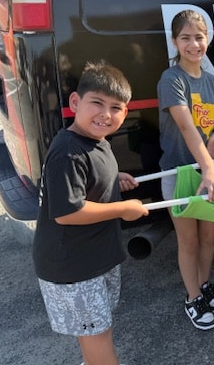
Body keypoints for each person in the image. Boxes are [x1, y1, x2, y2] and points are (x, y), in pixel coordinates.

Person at [32, 61, 149, 365]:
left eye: (116, 107)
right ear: (75, 102)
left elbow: (88, 181)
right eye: (97, 102)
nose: (106, 114)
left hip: (93, 258)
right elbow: (68, 212)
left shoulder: (96, 141)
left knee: (97, 333)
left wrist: (114, 177)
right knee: (99, 343)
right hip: (74, 267)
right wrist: (124, 209)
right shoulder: (67, 152)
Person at [157, 9, 214, 330]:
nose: (193, 44)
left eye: (198, 37)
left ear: (207, 40)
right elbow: (186, 127)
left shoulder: (212, 82)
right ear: (174, 42)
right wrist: (210, 169)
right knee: (188, 241)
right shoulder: (171, 79)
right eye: (185, 38)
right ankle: (192, 296)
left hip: (207, 170)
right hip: (179, 172)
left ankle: (203, 284)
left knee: (209, 237)